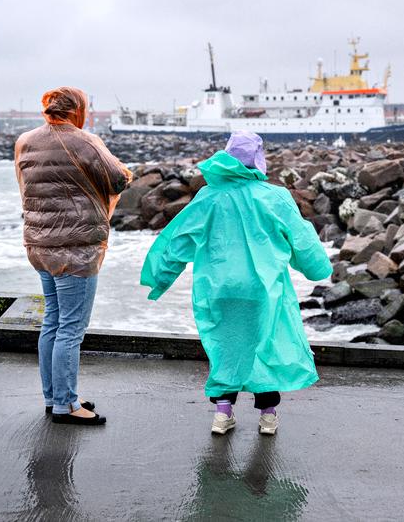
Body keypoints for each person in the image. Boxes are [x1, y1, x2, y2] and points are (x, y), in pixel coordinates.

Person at [141, 130, 332, 435]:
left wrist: (159, 278)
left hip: (218, 289)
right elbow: (303, 240)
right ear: (259, 159)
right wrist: (319, 269)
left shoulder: (208, 197)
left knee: (225, 349)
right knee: (265, 348)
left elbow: (178, 239)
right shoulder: (276, 197)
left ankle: (222, 414)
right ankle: (268, 417)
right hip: (263, 289)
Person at [15, 87, 132, 425]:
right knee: (71, 328)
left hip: (39, 245)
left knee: (52, 320)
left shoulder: (25, 141)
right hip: (76, 250)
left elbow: (24, 187)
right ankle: (67, 406)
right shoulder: (84, 140)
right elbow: (116, 179)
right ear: (77, 110)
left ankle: (55, 397)